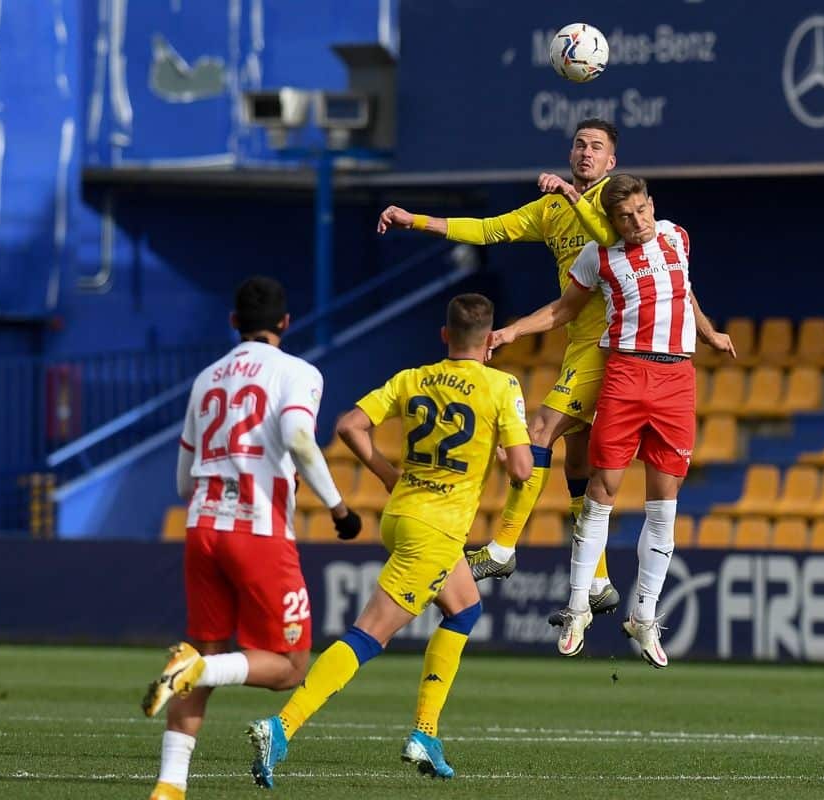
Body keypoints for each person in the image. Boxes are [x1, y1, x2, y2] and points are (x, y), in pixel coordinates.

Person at [247, 293, 532, 786]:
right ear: (490, 341)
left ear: (445, 336)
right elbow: (524, 469)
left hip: (401, 513)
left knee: (464, 608)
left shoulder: (411, 378)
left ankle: (426, 732)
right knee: (369, 634)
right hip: (438, 529)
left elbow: (349, 426)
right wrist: (510, 455)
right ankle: (282, 726)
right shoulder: (502, 385)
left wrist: (385, 472)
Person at [376, 118, 622, 620]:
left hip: (611, 342)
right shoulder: (553, 209)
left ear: (612, 162)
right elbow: (489, 230)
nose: (585, 153)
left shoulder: (617, 202)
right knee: (577, 466)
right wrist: (417, 221)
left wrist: (573, 198)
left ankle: (504, 549)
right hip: (579, 341)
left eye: (597, 147)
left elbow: (611, 237)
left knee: (538, 429)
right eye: (579, 144)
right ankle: (598, 581)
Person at [489, 175, 735, 667]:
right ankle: (578, 606)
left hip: (676, 380)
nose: (637, 222)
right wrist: (513, 329)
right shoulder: (598, 257)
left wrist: (707, 332)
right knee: (602, 494)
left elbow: (684, 291)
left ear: (652, 206)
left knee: (664, 506)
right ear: (610, 221)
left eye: (642, 211)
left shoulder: (676, 236)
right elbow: (562, 310)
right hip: (624, 373)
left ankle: (643, 619)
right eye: (625, 217)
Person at [143, 277, 362, 800]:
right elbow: (297, 437)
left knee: (206, 646)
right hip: (258, 532)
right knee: (289, 667)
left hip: (202, 528)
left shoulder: (206, 378)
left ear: (232, 322)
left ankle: (170, 786)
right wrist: (338, 506)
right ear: (286, 323)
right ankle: (196, 667)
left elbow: (181, 480)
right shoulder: (298, 372)